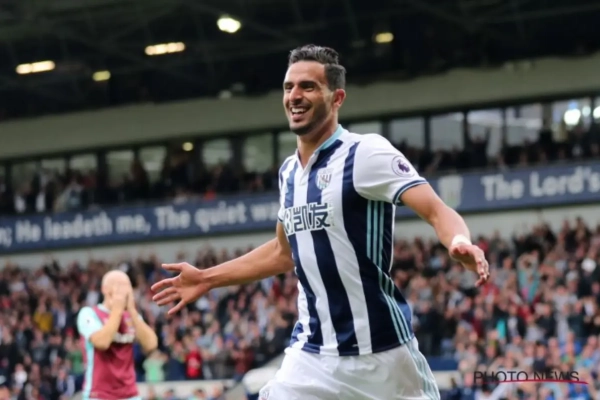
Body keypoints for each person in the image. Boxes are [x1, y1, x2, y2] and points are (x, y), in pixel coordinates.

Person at [151, 44, 490, 400]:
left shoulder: (365, 153)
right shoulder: (289, 172)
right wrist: (207, 279)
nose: (294, 96)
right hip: (312, 355)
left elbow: (436, 210)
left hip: (381, 357)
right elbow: (283, 252)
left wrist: (458, 241)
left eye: (308, 87)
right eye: (289, 87)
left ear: (337, 97)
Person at [77, 270, 158, 400]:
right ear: (105, 289)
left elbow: (151, 344)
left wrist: (132, 310)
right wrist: (117, 310)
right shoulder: (89, 314)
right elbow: (102, 342)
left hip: (130, 394)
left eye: (127, 286)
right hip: (99, 394)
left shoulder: (131, 317)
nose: (124, 290)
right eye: (119, 285)